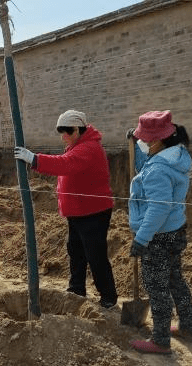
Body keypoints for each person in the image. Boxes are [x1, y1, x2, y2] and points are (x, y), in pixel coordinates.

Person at [14, 110, 118, 309]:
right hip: (78, 211)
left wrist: (34, 159)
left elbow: (65, 165)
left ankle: (108, 297)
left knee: (95, 255)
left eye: (67, 132)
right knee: (76, 250)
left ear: (78, 129)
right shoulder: (76, 145)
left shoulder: (89, 148)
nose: (64, 136)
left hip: (93, 211)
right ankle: (77, 288)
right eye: (61, 132)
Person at [126, 110, 192, 355]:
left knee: (157, 287)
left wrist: (141, 239)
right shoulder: (174, 156)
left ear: (157, 140)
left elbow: (158, 208)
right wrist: (136, 147)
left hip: (158, 236)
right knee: (175, 280)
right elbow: (146, 167)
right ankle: (187, 326)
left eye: (146, 140)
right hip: (175, 232)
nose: (144, 142)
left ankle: (160, 340)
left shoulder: (159, 168)